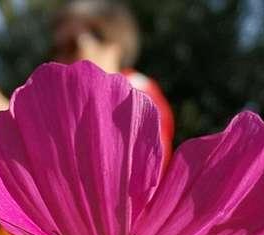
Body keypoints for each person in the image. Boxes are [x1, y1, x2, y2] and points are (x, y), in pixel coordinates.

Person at [51, 0, 175, 164]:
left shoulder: (137, 92)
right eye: (55, 50)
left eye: (70, 46)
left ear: (111, 42)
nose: (58, 60)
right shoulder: (67, 105)